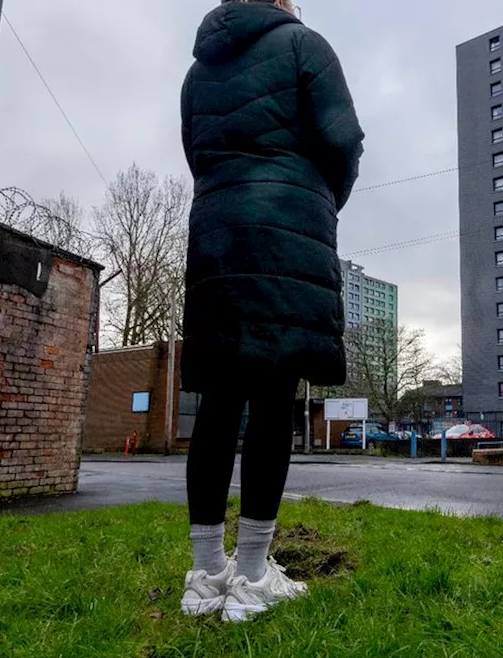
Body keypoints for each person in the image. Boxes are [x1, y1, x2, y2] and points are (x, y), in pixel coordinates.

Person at [177, 0, 364, 622]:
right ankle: (253, 576)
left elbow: (197, 155)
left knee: (218, 407)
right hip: (284, 235)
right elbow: (342, 140)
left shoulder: (197, 71)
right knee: (272, 402)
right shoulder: (303, 46)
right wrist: (318, 198)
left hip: (215, 238)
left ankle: (205, 576)